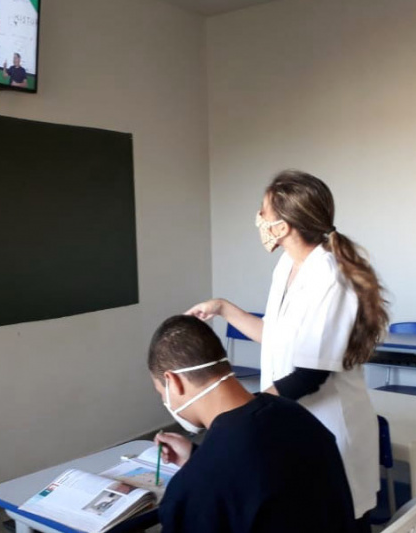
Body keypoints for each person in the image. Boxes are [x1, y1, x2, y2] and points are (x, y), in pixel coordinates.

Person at [186, 170, 388, 529]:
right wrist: (223, 308)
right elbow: (276, 338)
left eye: (263, 213)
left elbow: (309, 374)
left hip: (329, 427)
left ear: (284, 226)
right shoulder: (288, 267)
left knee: (338, 519)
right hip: (295, 423)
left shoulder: (330, 275)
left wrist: (245, 416)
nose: (259, 220)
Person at [149, 315, 358, 533]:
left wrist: (200, 466)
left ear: (173, 382)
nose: (165, 401)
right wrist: (196, 456)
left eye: (161, 392)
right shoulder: (298, 417)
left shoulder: (192, 490)